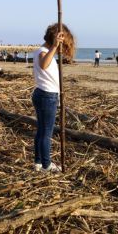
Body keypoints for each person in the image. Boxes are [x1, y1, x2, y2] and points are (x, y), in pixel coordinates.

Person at [32, 23, 75, 172]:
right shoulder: (43, 52)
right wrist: (55, 47)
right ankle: (46, 165)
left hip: (44, 94)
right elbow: (44, 65)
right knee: (46, 133)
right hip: (46, 96)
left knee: (41, 131)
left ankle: (38, 162)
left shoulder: (43, 51)